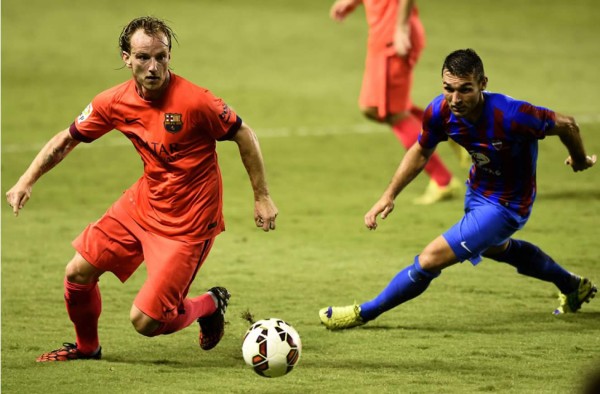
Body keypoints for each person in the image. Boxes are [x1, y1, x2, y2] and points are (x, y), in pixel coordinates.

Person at [6, 16, 278, 361]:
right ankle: (87, 348)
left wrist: (262, 196)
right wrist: (26, 180)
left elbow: (244, 134)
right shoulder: (113, 102)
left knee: (146, 322)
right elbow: (67, 139)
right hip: (143, 204)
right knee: (77, 272)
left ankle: (209, 304)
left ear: (169, 58)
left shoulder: (196, 101)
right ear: (125, 57)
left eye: (160, 57)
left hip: (189, 224)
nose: (153, 67)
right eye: (142, 57)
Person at [319, 48, 597, 329]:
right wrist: (388, 195)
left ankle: (363, 313)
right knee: (497, 248)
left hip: (508, 205)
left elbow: (567, 124)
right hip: (476, 193)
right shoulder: (440, 111)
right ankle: (572, 285)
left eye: (465, 90)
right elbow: (421, 151)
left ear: (483, 84)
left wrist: (578, 158)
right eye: (448, 89)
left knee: (429, 260)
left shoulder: (513, 114)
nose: (455, 99)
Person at [329, 0, 464, 204]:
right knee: (375, 107)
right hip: (383, 32)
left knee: (392, 112)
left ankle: (442, 181)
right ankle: (451, 129)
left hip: (393, 35)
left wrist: (401, 28)